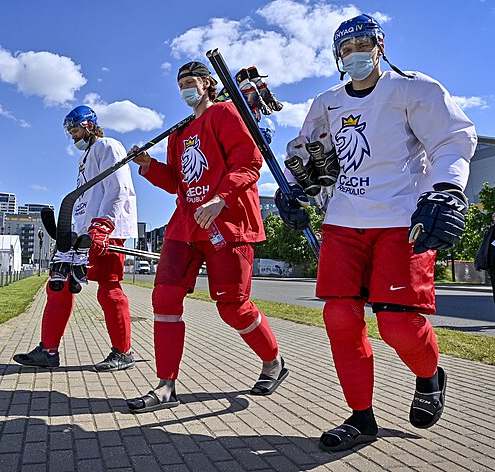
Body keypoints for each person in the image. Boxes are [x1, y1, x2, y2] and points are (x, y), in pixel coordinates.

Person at [275, 14, 477, 452]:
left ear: (380, 45)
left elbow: (453, 138)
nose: (355, 54)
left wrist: (446, 190)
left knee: (397, 323)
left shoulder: (414, 89)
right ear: (337, 58)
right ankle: (361, 419)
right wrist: (291, 193)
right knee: (339, 318)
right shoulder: (326, 102)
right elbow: (306, 153)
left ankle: (430, 375)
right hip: (344, 220)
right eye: (346, 49)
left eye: (362, 44)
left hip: (403, 217)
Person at [125, 61, 289, 414]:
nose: (185, 88)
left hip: (226, 223)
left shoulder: (225, 113)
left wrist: (219, 198)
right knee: (165, 297)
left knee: (233, 308)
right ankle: (165, 385)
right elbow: (177, 182)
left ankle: (273, 361)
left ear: (207, 83)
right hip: (186, 224)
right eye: (180, 83)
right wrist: (147, 165)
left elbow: (248, 163)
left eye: (190, 81)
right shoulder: (178, 132)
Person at [13, 105, 138, 372]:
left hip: (106, 231)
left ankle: (124, 352)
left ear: (89, 125)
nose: (73, 136)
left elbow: (119, 187)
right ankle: (48, 350)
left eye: (75, 129)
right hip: (83, 234)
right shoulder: (86, 157)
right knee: (59, 285)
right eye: (70, 131)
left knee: (109, 289)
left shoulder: (107, 146)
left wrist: (103, 225)